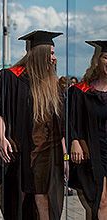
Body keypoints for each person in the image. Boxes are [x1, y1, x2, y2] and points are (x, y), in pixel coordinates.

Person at [0, 30, 66, 219]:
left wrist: (64, 155)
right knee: (19, 197)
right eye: (50, 53)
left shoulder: (52, 84)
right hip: (20, 148)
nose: (54, 58)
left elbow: (60, 123)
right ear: (40, 53)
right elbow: (0, 113)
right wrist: (1, 138)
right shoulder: (11, 78)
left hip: (47, 150)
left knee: (44, 198)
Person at [69, 40, 107, 220]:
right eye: (106, 57)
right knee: (100, 201)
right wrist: (75, 140)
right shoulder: (82, 92)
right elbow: (73, 121)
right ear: (97, 60)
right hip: (93, 152)